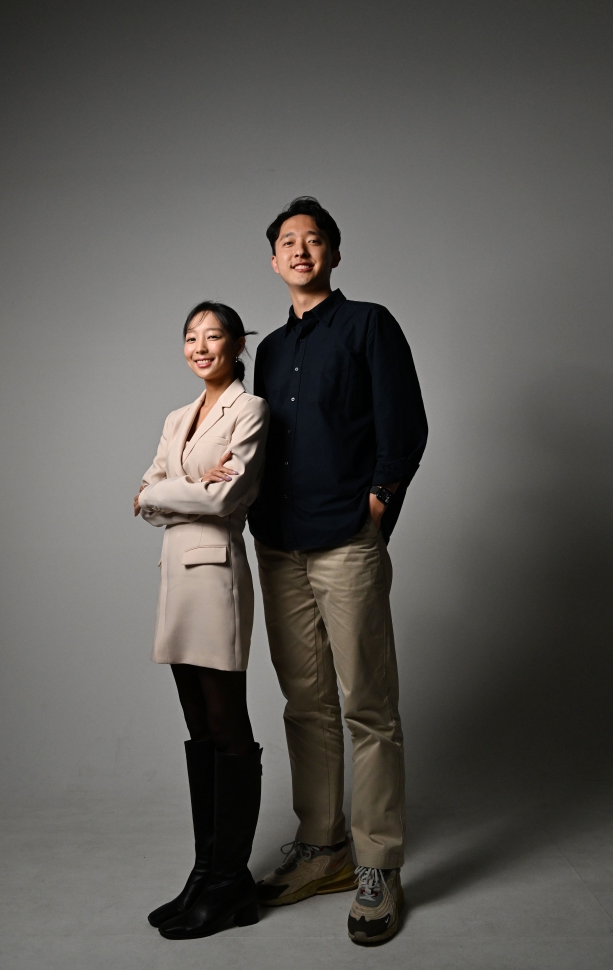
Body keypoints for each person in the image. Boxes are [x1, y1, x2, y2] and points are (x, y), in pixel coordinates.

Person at [248, 197, 428, 945]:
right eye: (287, 242)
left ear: (334, 254)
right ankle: (322, 847)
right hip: (280, 543)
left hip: (347, 542)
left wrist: (378, 508)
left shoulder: (369, 325)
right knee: (305, 703)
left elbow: (405, 425)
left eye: (313, 240)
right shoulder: (267, 351)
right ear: (273, 260)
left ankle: (378, 865)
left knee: (369, 708)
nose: (300, 250)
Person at [134, 301, 269, 939]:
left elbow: (226, 497)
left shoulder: (250, 409)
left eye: (214, 335)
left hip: (215, 576)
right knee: (198, 726)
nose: (201, 346)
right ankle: (207, 869)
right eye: (191, 336)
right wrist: (165, 491)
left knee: (226, 721)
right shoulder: (176, 416)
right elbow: (144, 491)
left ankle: (230, 881)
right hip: (175, 581)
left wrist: (164, 492)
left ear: (238, 343)